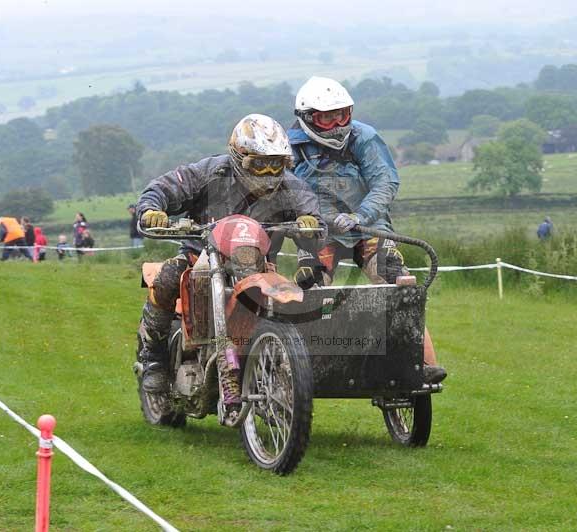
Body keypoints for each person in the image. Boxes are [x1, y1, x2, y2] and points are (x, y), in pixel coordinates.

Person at [135, 113, 324, 423]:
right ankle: (153, 357)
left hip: (259, 265)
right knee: (168, 277)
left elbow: (313, 216)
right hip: (201, 256)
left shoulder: (292, 186)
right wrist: (152, 209)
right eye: (259, 164)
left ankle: (285, 365)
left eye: (276, 164)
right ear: (239, 157)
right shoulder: (209, 172)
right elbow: (163, 188)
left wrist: (310, 224)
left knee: (295, 301)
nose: (268, 172)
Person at [287, 76, 446, 384]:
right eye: (326, 117)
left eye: (342, 115)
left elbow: (385, 181)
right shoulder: (290, 148)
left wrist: (362, 214)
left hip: (368, 228)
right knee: (309, 290)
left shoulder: (364, 137)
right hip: (319, 233)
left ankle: (423, 364)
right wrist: (306, 218)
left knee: (401, 288)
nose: (336, 125)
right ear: (308, 118)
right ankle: (302, 367)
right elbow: (282, 191)